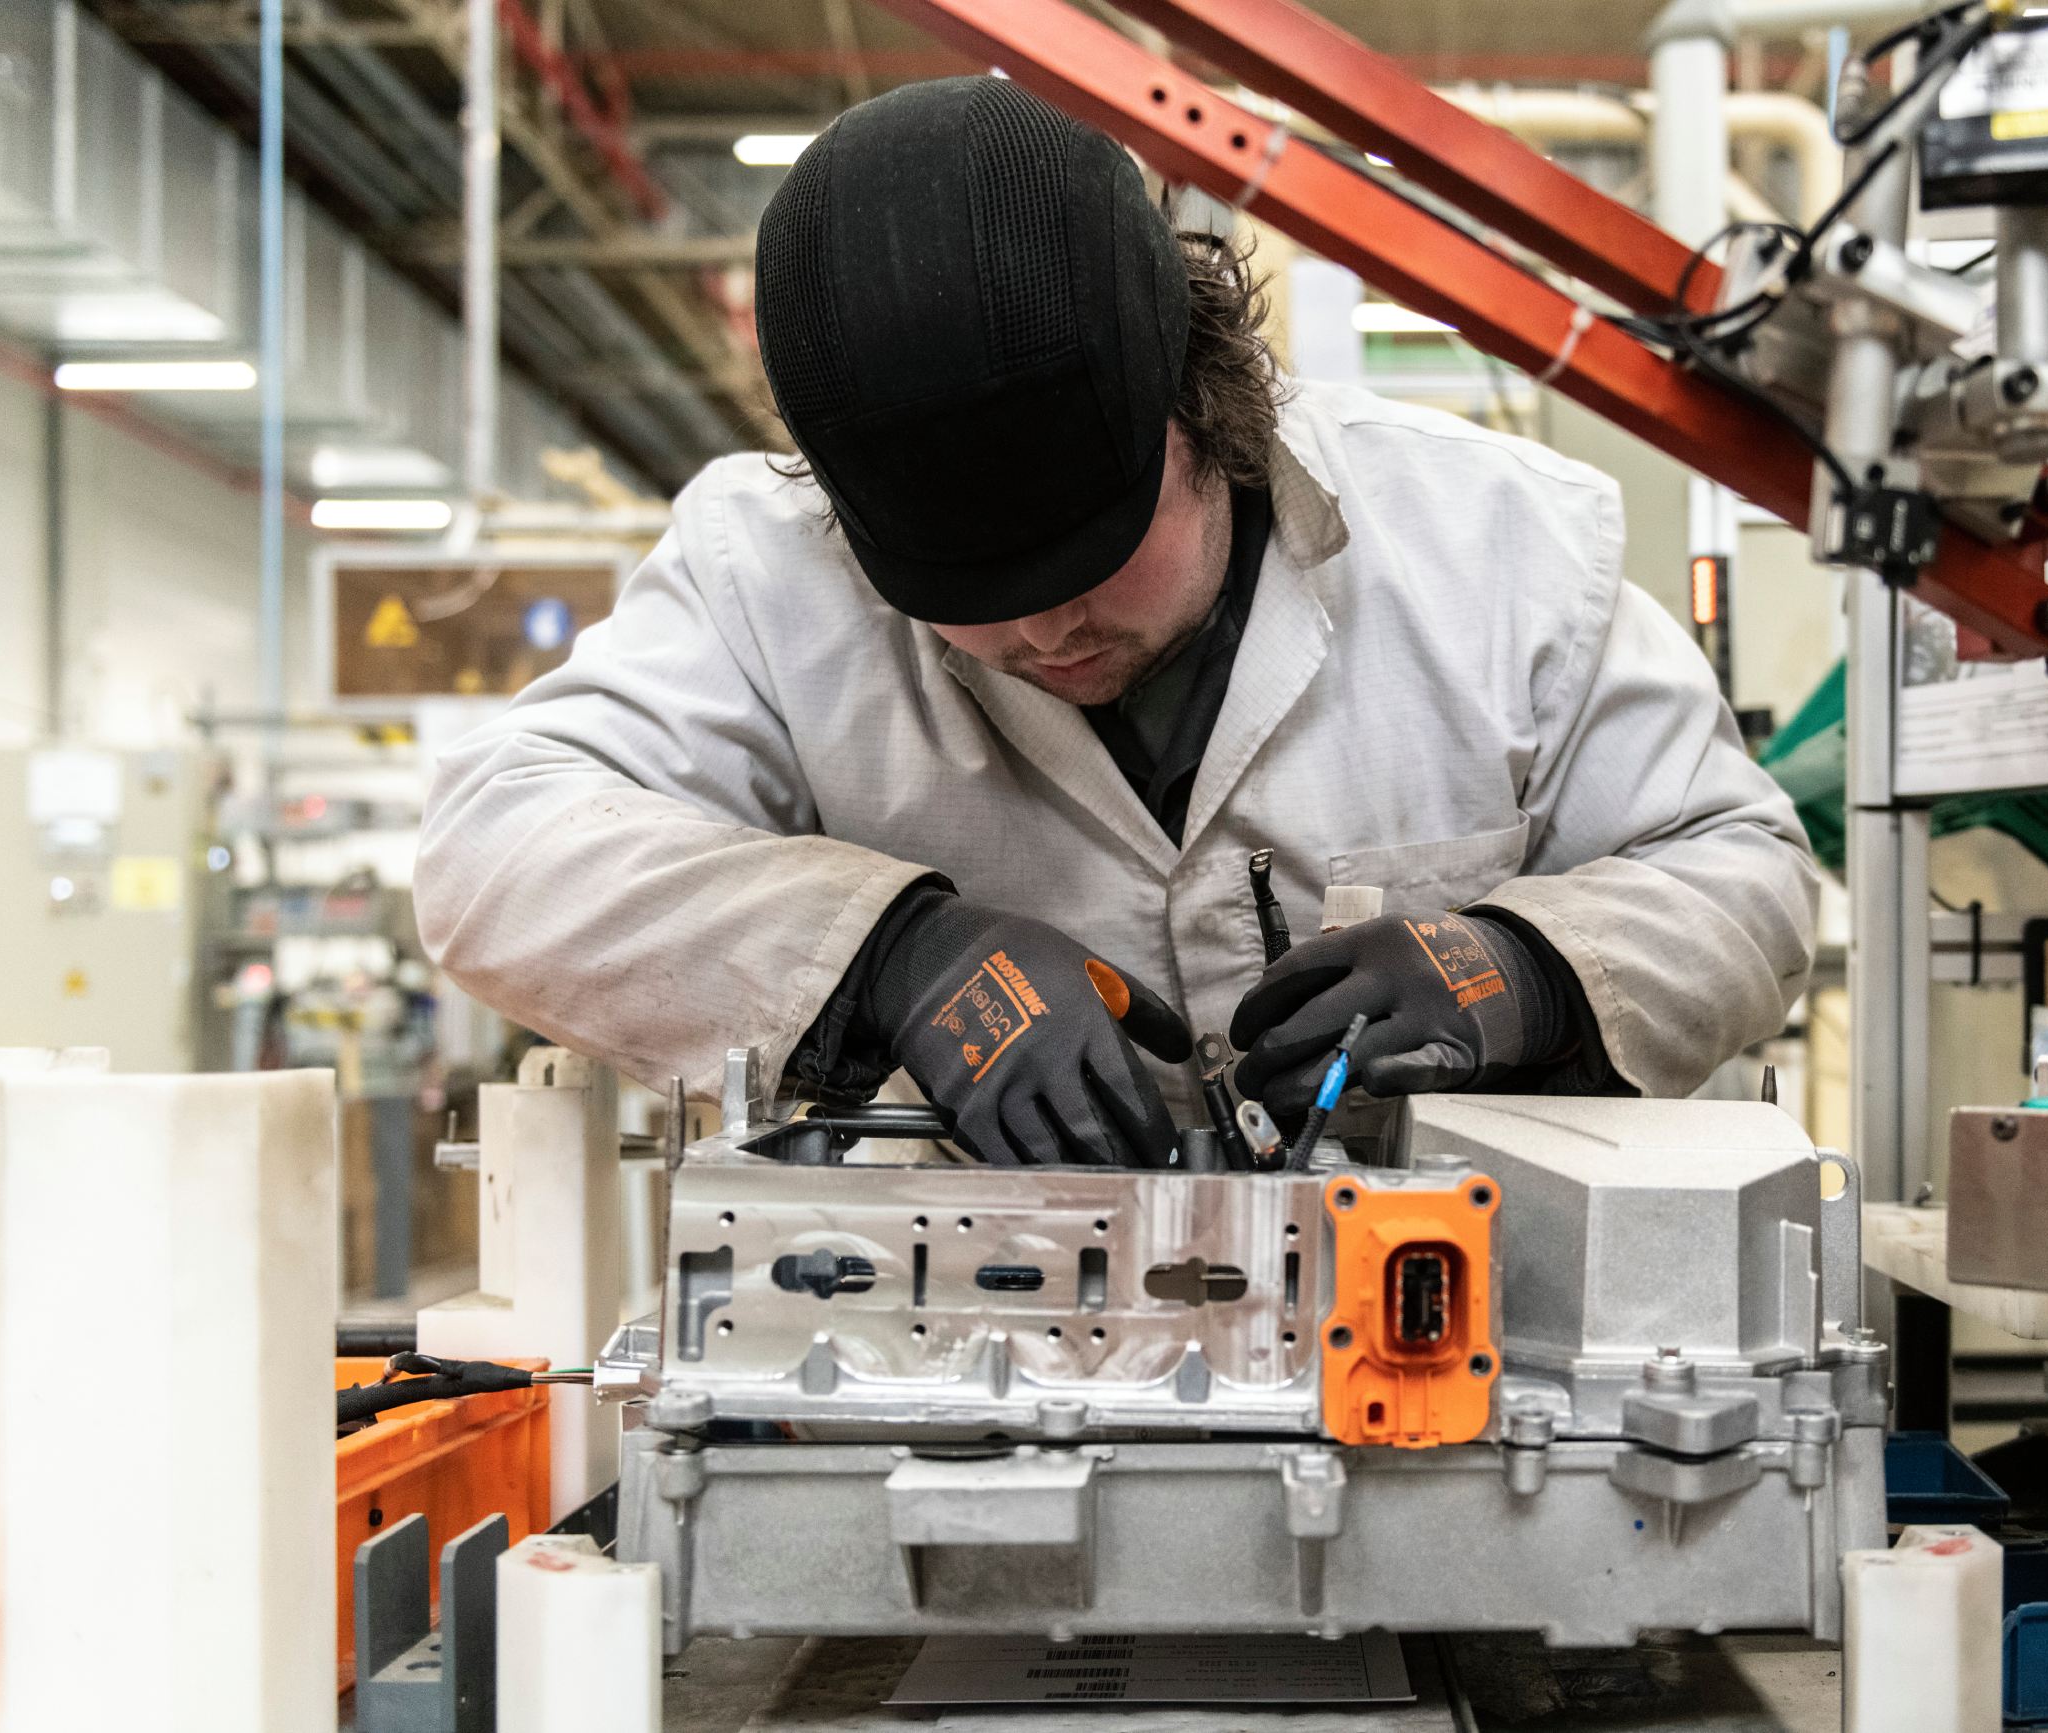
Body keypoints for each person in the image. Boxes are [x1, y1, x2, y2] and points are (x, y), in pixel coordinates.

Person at [416, 76, 1817, 1169]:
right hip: (958, 1368)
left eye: (1094, 552)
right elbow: (492, 857)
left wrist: (1524, 972)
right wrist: (888, 952)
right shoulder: (762, 576)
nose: (1045, 630)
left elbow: (1746, 880)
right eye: (971, 598)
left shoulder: (1498, 546)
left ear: (1207, 406)